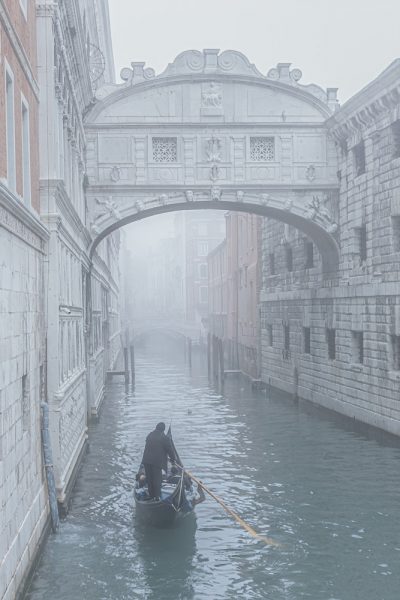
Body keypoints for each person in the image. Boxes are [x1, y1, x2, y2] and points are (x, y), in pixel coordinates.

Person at [141, 422, 176, 500]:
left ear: (156, 427)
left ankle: (151, 496)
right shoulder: (164, 438)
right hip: (157, 462)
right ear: (163, 430)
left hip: (146, 460)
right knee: (157, 480)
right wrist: (173, 460)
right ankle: (157, 497)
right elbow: (170, 450)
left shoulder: (149, 435)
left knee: (149, 479)